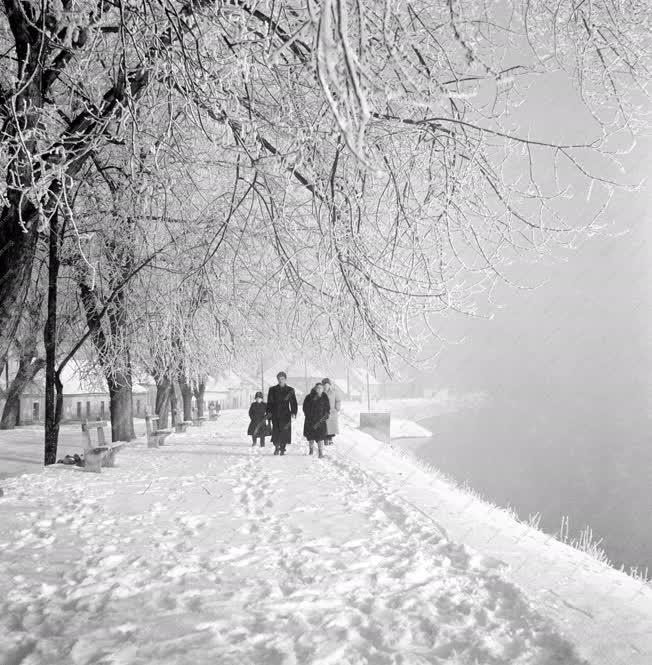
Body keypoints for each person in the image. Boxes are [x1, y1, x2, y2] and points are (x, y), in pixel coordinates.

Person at [266, 372, 298, 456]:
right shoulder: (272, 389)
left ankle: (283, 448)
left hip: (286, 414)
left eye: (282, 379)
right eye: (279, 379)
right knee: (276, 431)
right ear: (277, 379)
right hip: (275, 413)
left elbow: (293, 402)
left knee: (285, 431)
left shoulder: (290, 390)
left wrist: (294, 412)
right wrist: (268, 413)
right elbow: (269, 403)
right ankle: (276, 447)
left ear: (285, 379)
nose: (281, 380)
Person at [302, 382, 330, 458]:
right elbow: (305, 408)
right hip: (310, 420)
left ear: (323, 389)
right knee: (311, 436)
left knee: (320, 437)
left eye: (320, 388)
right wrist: (308, 416)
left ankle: (320, 453)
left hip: (321, 421)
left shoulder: (325, 397)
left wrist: (325, 416)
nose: (319, 389)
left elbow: (327, 408)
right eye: (317, 388)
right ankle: (311, 450)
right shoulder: (309, 397)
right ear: (315, 388)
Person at [322, 378, 341, 446]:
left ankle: (330, 439)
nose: (325, 386)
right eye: (324, 385)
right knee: (324, 427)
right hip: (323, 412)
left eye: (327, 384)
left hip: (332, 411)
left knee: (331, 427)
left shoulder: (334, 392)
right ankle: (325, 439)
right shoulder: (321, 392)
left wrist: (337, 408)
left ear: (329, 385)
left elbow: (338, 400)